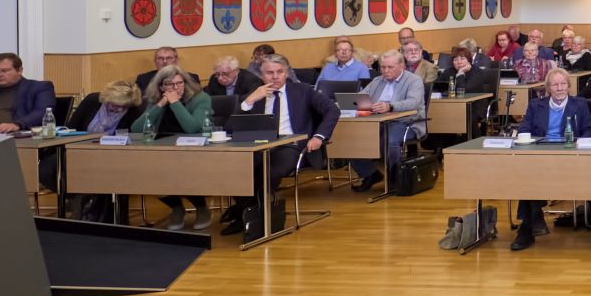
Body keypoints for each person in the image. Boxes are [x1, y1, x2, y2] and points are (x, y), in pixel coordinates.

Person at [230, 54, 337, 238]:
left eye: (280, 72)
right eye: (269, 73)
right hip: (259, 146)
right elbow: (230, 127)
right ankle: (249, 214)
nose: (275, 77)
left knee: (268, 172)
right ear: (261, 75)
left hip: (292, 146)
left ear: (287, 72)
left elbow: (332, 110)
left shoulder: (302, 90)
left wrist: (319, 136)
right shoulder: (256, 93)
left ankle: (255, 216)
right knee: (237, 171)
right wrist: (249, 102)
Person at [511, 69, 591, 250]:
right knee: (527, 173)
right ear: (548, 88)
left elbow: (590, 129)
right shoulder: (535, 105)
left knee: (530, 177)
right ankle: (533, 218)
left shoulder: (579, 104)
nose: (560, 88)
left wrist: (580, 143)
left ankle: (528, 226)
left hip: (569, 156)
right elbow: (524, 129)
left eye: (563, 84)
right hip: (540, 154)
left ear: (569, 86)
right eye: (555, 84)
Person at [133, 67, 214, 229]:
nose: (177, 88)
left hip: (192, 149)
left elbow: (192, 128)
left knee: (181, 171)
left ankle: (202, 208)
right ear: (161, 87)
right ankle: (176, 208)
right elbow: (136, 129)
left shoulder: (200, 98)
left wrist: (175, 103)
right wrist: (161, 104)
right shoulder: (156, 99)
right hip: (162, 148)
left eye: (180, 83)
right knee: (146, 172)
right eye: (170, 84)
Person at [61, 80, 143, 222]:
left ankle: (97, 215)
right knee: (55, 168)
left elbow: (133, 137)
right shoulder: (91, 101)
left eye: (122, 107)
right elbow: (72, 128)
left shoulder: (134, 110)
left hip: (113, 155)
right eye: (113, 104)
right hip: (80, 151)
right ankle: (82, 208)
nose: (117, 109)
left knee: (106, 172)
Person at [351, 50, 426, 193]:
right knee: (352, 140)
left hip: (405, 122)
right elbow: (361, 97)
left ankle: (395, 178)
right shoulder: (377, 81)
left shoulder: (413, 80)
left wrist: (390, 106)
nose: (385, 71)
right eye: (383, 67)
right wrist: (354, 103)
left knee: (390, 140)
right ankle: (370, 174)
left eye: (390, 67)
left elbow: (413, 102)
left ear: (401, 66)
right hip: (376, 121)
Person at [0, 53, 55, 133]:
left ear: (19, 70)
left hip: (18, 136)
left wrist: (17, 125)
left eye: (4, 71)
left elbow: (42, 112)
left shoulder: (40, 87)